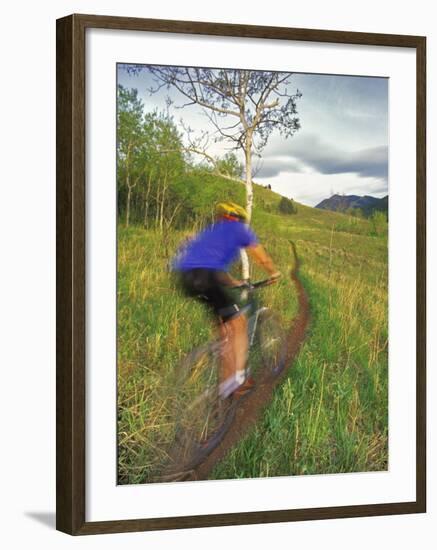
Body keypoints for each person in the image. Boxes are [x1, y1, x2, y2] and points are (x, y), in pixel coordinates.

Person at [172, 202, 281, 400]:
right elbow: (261, 257)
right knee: (239, 324)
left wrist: (235, 282)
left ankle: (226, 383)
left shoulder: (212, 231)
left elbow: (214, 269)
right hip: (207, 277)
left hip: (186, 277)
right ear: (240, 218)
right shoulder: (240, 230)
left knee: (225, 332)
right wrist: (273, 272)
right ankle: (237, 381)